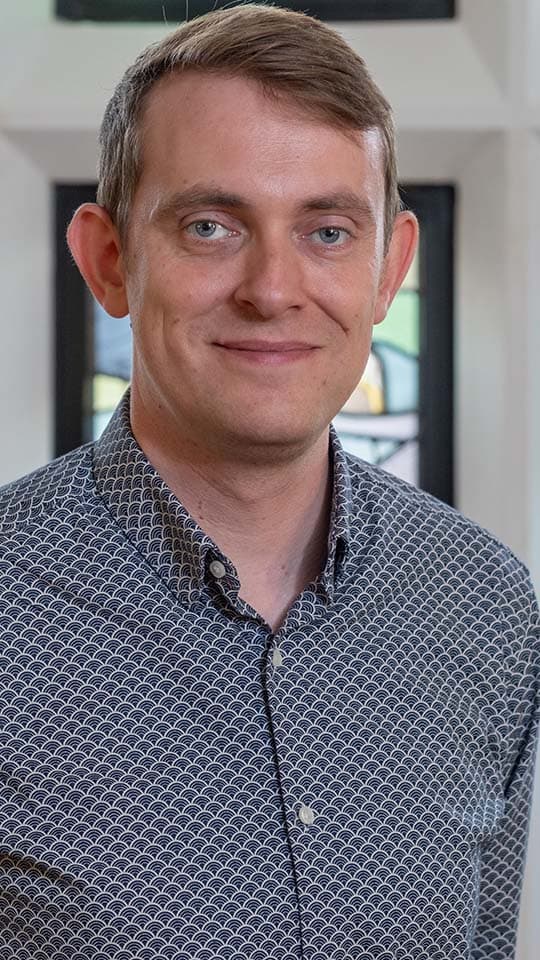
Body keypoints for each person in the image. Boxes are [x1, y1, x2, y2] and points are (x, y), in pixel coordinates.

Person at [0, 4, 538, 958]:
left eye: (329, 232)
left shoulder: (486, 605)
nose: (274, 288)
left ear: (389, 269)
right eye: (211, 225)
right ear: (109, 260)